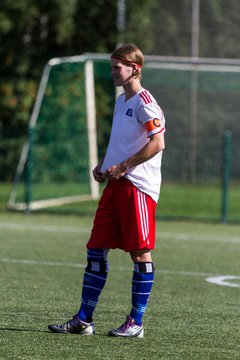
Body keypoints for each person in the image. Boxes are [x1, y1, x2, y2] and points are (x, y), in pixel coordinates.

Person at [48, 43, 166, 338]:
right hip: (115, 185)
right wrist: (105, 163)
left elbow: (158, 142)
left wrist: (124, 165)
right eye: (112, 66)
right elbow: (124, 140)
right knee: (95, 249)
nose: (112, 72)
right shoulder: (120, 100)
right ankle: (84, 320)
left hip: (137, 187)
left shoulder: (145, 103)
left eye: (118, 67)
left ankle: (136, 322)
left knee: (140, 253)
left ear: (134, 69)